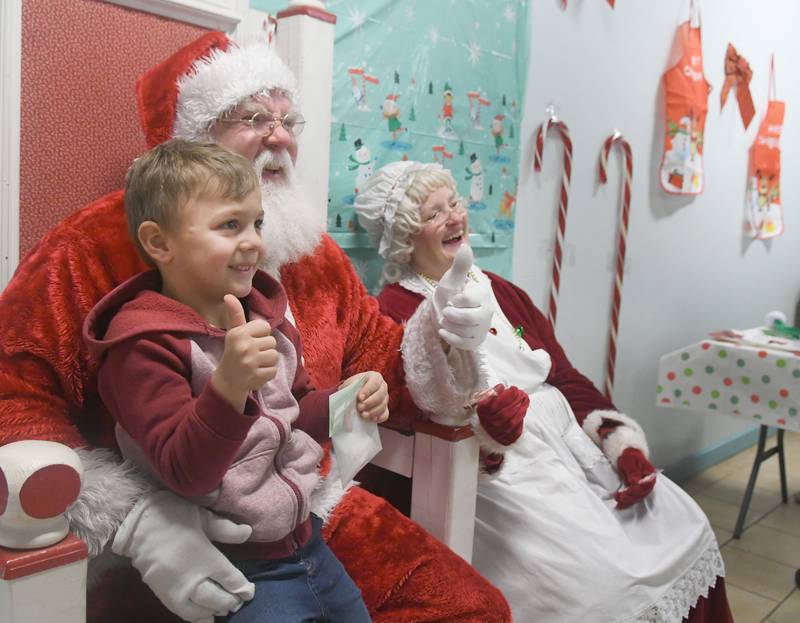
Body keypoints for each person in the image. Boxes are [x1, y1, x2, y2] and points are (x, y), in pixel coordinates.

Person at [0, 33, 508, 623]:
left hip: (311, 507)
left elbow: (384, 367)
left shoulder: (308, 254)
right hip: (185, 529)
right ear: (195, 134)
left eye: (288, 118)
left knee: (472, 607)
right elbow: (12, 393)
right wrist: (134, 520)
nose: (280, 136)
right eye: (253, 116)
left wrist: (440, 334)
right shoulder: (95, 251)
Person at [355, 161, 735, 623]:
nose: (455, 216)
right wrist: (483, 424)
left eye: (455, 202)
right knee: (603, 589)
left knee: (684, 522)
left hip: (572, 451)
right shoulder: (394, 309)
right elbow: (412, 409)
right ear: (404, 237)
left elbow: (565, 376)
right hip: (500, 476)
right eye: (435, 213)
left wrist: (620, 442)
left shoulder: (502, 291)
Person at [84, 140, 386, 622]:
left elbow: (296, 414)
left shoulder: (266, 315)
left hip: (310, 543)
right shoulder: (142, 346)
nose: (254, 243)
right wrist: (228, 387)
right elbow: (184, 470)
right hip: (236, 567)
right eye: (230, 225)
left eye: (257, 223)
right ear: (160, 243)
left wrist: (349, 400)